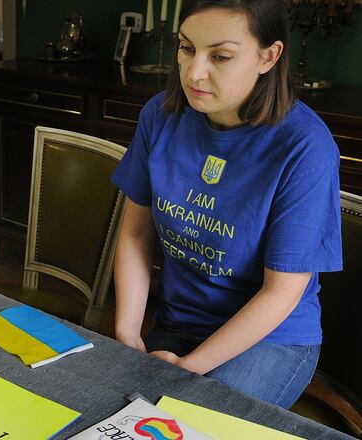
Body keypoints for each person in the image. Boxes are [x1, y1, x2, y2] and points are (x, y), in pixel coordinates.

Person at [111, 0, 342, 409]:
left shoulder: (304, 146)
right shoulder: (160, 115)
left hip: (272, 340)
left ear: (268, 56)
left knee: (186, 422)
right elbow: (134, 234)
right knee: (106, 411)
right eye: (186, 49)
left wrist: (188, 368)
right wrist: (128, 336)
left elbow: (281, 294)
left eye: (220, 56)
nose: (194, 72)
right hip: (179, 322)